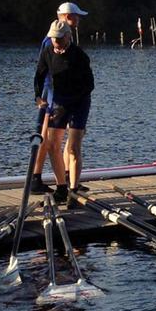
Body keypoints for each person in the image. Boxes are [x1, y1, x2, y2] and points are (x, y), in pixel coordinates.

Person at [34, 20, 94, 204]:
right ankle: (61, 188)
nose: (56, 42)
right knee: (52, 145)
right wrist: (38, 97)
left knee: (74, 148)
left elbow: (89, 84)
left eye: (60, 39)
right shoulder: (47, 52)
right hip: (58, 102)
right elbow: (39, 75)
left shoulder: (79, 56)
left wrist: (73, 99)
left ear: (68, 37)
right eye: (53, 39)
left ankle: (73, 191)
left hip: (79, 102)